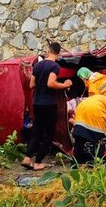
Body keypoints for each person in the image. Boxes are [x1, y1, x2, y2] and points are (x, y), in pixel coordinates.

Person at [21, 41, 72, 171]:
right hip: (49, 104)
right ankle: (38, 162)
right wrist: (65, 85)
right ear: (58, 53)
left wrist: (41, 85)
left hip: (37, 103)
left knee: (37, 131)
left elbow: (31, 85)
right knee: (49, 133)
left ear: (48, 51)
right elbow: (51, 83)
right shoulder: (54, 66)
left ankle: (27, 158)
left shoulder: (37, 65)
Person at [70, 94, 106, 165]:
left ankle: (76, 163)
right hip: (96, 114)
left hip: (80, 109)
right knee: (99, 143)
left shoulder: (101, 97)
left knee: (79, 140)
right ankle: (98, 162)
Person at [77, 67, 106, 142]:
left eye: (81, 78)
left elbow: (94, 101)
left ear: (83, 77)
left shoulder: (92, 82)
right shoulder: (100, 78)